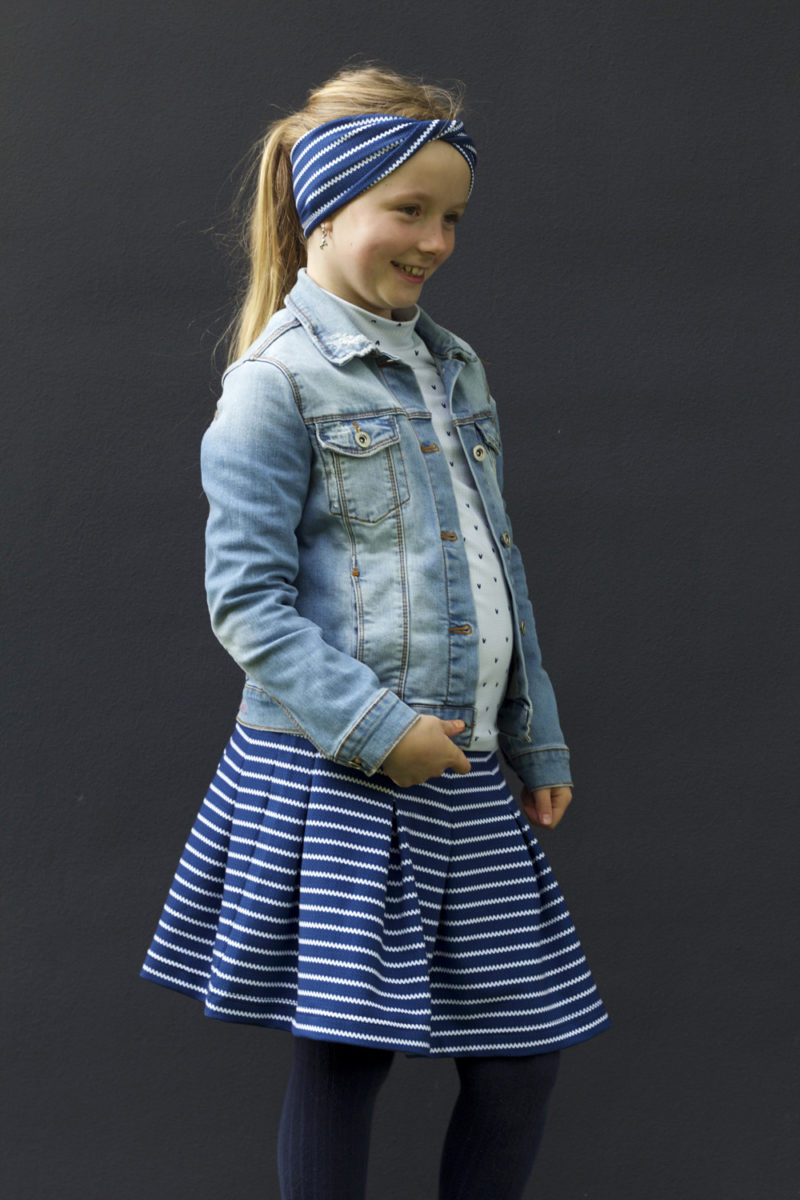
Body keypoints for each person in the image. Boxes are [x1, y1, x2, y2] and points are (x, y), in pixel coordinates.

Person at [141, 64, 610, 1200]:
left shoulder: (454, 367)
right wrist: (378, 730)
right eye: (410, 210)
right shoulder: (276, 383)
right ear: (325, 208)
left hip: (463, 763)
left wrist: (533, 731)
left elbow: (494, 563)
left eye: (452, 217)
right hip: (346, 769)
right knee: (347, 1055)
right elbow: (245, 604)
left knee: (520, 1053)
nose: (436, 241)